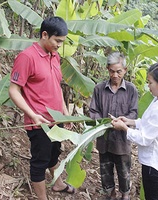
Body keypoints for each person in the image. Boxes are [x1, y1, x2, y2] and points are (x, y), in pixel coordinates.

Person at [9, 16, 75, 200]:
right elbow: (14, 90)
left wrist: (65, 112)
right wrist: (33, 114)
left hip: (56, 119)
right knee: (40, 161)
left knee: (55, 152)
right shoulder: (27, 57)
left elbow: (56, 86)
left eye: (62, 41)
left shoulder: (55, 56)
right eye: (57, 41)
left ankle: (58, 183)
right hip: (39, 123)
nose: (59, 45)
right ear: (44, 35)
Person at [111, 63, 158, 200]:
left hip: (154, 162)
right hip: (152, 161)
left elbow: (144, 138)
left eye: (150, 83)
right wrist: (129, 121)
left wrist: (124, 128)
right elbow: (147, 123)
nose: (148, 86)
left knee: (152, 196)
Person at [89, 52, 138, 200]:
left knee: (124, 172)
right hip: (104, 140)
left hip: (122, 141)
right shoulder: (99, 88)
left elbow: (134, 113)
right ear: (107, 69)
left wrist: (122, 122)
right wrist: (104, 122)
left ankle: (125, 195)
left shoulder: (131, 90)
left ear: (125, 70)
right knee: (105, 171)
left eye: (119, 71)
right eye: (111, 71)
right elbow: (93, 111)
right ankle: (109, 194)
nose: (115, 75)